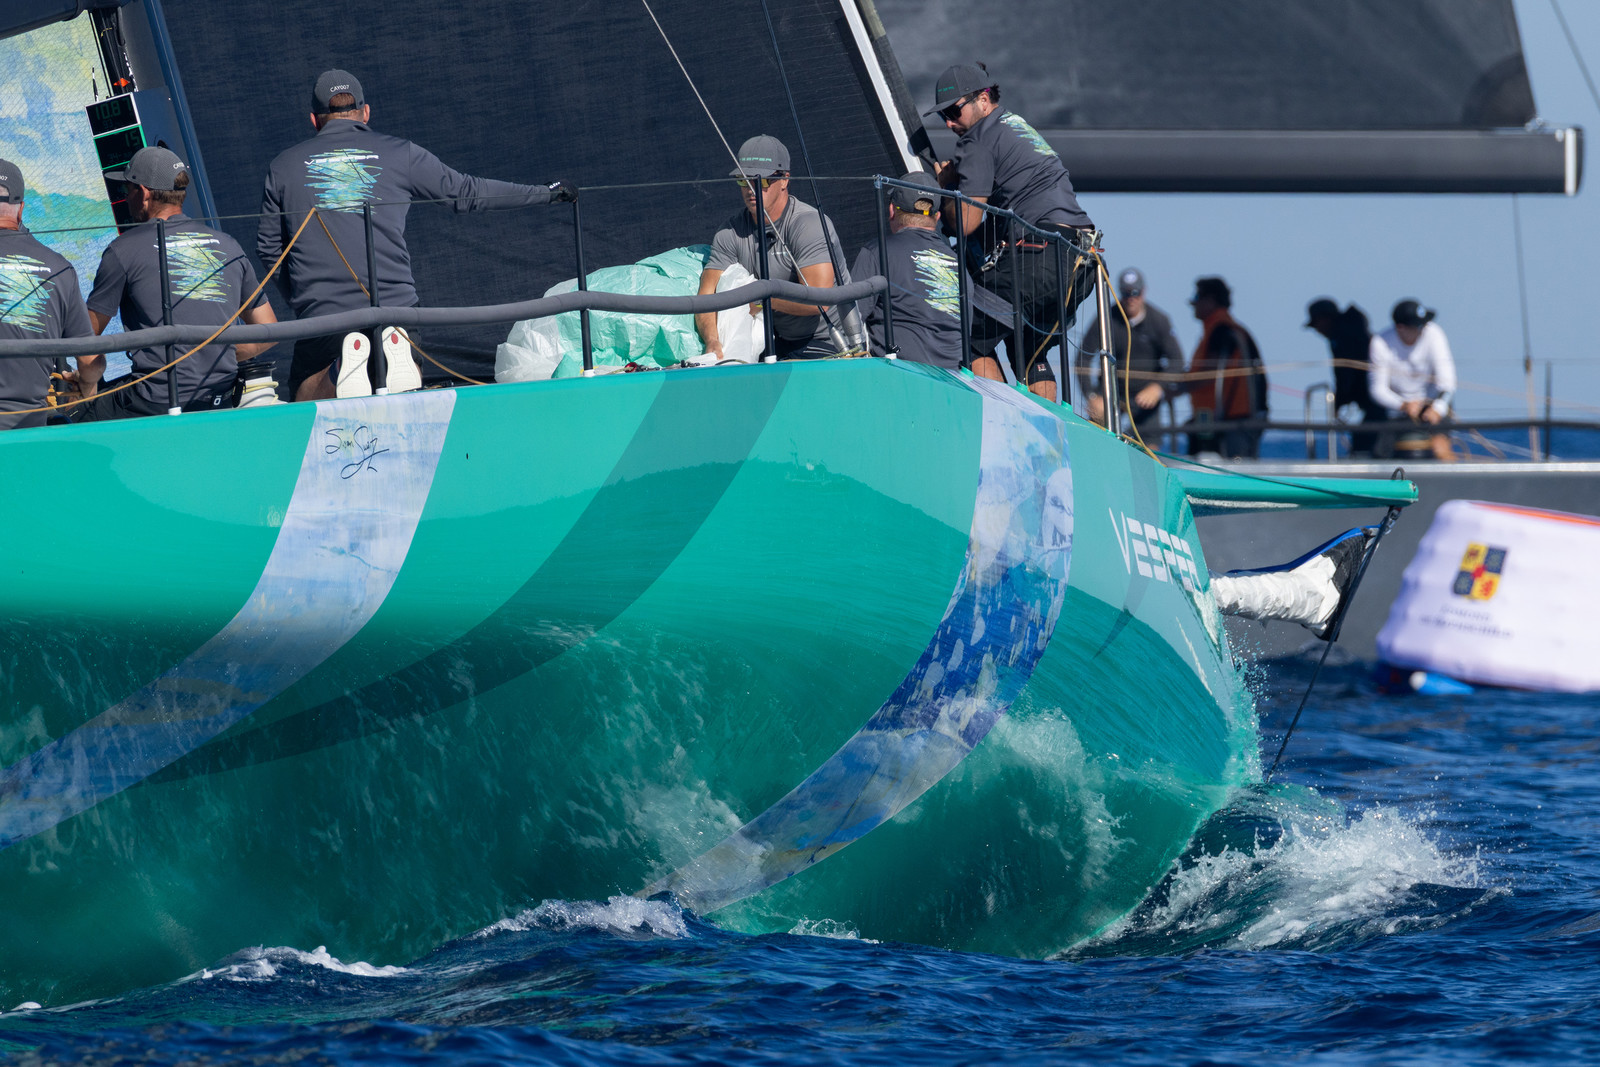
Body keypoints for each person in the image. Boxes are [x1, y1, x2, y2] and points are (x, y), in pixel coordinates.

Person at [259, 69, 576, 401]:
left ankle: (340, 371)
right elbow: (468, 193)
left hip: (324, 315)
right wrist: (547, 193)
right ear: (366, 113)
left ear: (314, 120)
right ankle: (393, 357)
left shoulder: (283, 167)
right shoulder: (401, 153)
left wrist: (302, 299)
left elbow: (268, 249)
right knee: (403, 394)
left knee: (305, 394)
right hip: (397, 308)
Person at [928, 62, 1096, 402]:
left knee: (968, 338)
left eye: (953, 111)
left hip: (1040, 258)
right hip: (1083, 261)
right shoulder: (1014, 124)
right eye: (942, 116)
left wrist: (947, 188)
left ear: (984, 98)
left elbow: (965, 222)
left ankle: (1009, 430)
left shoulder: (977, 139)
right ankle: (1047, 441)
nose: (948, 123)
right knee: (1029, 353)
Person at [74, 147, 277, 421]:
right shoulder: (229, 245)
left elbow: (86, 338)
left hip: (155, 400)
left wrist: (85, 388)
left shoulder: (122, 250)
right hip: (219, 396)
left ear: (144, 194)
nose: (125, 198)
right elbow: (269, 330)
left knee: (67, 418)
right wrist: (215, 355)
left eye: (126, 190)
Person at [696, 135, 861, 361]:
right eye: (743, 180)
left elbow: (819, 300)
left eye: (761, 181)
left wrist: (762, 300)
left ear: (784, 180)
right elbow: (706, 296)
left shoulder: (809, 224)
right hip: (771, 340)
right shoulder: (729, 232)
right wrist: (712, 342)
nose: (751, 188)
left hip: (826, 341)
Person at [0, 159, 95, 430]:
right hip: (28, 429)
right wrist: (87, 386)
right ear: (21, 210)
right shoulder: (59, 268)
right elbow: (90, 360)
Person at [848, 172, 961, 370]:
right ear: (937, 216)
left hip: (899, 379)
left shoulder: (877, 253)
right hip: (954, 383)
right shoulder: (959, 265)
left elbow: (851, 320)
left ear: (892, 210)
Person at [1077, 267, 1183, 437]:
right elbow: (1082, 357)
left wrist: (1157, 388)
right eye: (1126, 293)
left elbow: (1177, 361)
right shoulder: (1106, 318)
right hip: (1110, 393)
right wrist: (1091, 396)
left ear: (1144, 291)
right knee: (1097, 435)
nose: (1131, 298)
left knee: (1150, 447)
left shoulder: (1159, 320)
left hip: (1145, 397)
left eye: (1136, 292)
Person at [1185, 276, 1267, 459]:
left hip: (1234, 421)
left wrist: (1176, 386)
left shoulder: (1223, 331)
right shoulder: (1222, 330)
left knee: (1235, 467)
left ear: (1211, 300)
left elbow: (1209, 373)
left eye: (1197, 298)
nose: (1193, 304)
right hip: (1216, 418)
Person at [1369, 299, 1456, 462]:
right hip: (1395, 410)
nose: (1424, 329)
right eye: (1418, 326)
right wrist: (1404, 405)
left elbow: (1447, 382)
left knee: (1441, 449)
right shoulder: (1380, 343)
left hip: (1432, 405)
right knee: (1380, 455)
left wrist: (1437, 407)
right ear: (1400, 328)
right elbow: (1377, 390)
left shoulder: (1434, 334)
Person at [1305, 297, 1386, 456]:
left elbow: (1346, 375)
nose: (1317, 330)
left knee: (1366, 441)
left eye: (1316, 324)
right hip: (1369, 400)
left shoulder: (1344, 336)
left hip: (1376, 401)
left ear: (1325, 319)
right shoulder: (1345, 333)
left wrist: (1338, 402)